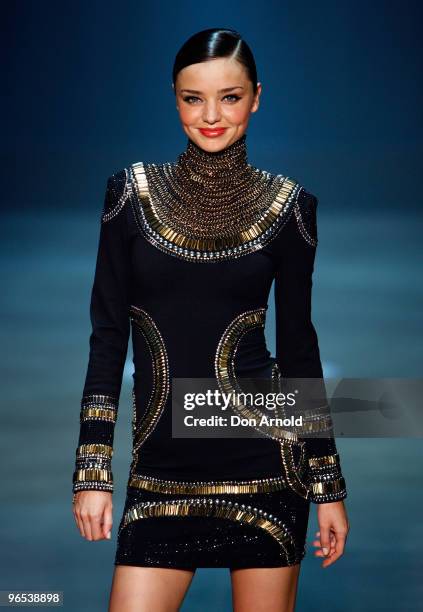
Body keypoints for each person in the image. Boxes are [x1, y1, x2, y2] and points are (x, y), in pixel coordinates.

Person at [72, 28, 350, 612]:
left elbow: (300, 350)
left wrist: (328, 489)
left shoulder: (289, 207)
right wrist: (92, 472)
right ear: (175, 99)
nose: (212, 115)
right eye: (193, 98)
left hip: (266, 465)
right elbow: (107, 338)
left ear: (256, 98)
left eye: (230, 96)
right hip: (160, 472)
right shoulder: (130, 195)